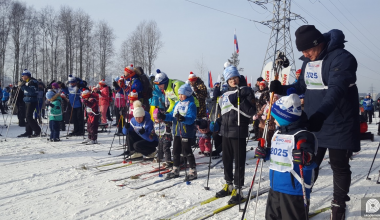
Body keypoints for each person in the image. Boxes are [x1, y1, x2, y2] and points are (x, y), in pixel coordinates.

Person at [270, 25, 359, 220]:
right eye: (301, 51)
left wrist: (320, 114)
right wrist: (284, 88)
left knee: (339, 166)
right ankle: (303, 200)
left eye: (308, 49)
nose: (305, 54)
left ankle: (338, 206)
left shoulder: (342, 58)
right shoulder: (308, 62)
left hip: (338, 122)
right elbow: (302, 86)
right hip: (313, 123)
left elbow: (336, 90)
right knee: (309, 164)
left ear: (318, 43)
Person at [254, 94, 317, 220]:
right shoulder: (279, 132)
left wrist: (306, 158)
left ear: (285, 117)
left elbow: (312, 160)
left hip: (293, 190)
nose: (272, 119)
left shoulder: (303, 135)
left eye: (275, 117)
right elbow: (279, 153)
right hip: (275, 186)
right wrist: (266, 153)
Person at [214, 65, 256, 205]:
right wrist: (216, 122)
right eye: (230, 79)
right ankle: (229, 184)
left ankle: (238, 190)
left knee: (238, 161)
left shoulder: (246, 91)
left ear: (238, 77)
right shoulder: (226, 94)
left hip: (238, 130)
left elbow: (251, 111)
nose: (233, 80)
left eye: (234, 77)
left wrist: (239, 100)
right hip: (225, 131)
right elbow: (224, 112)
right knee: (226, 160)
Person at [157, 83, 198, 181]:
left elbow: (191, 118)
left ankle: (192, 170)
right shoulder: (177, 103)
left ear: (188, 94)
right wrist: (164, 116)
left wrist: (183, 118)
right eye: (179, 94)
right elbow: (172, 115)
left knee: (187, 151)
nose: (180, 96)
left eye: (182, 94)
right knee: (175, 151)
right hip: (176, 131)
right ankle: (175, 168)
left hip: (186, 132)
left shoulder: (191, 104)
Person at [17, 69, 42, 137]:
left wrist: (23, 86)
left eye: (23, 76)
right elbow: (24, 89)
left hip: (31, 100)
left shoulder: (33, 82)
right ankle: (28, 131)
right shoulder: (26, 81)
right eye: (22, 76)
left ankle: (37, 131)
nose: (22, 77)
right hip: (26, 100)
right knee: (27, 116)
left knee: (28, 116)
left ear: (27, 76)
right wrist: (21, 85)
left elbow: (32, 91)